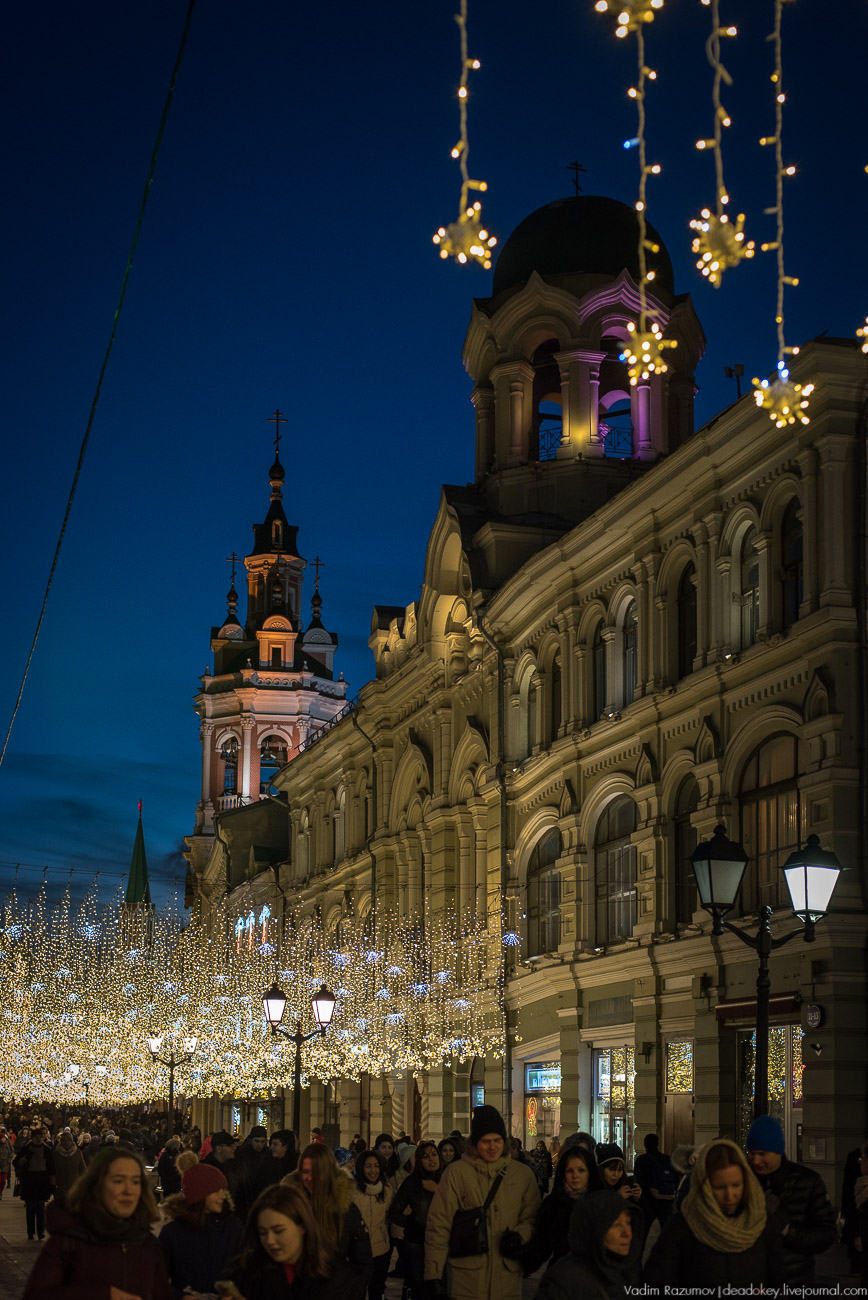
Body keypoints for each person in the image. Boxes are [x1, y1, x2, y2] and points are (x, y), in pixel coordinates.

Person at [22, 1145, 175, 1300]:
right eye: (118, 1181)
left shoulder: (146, 1242)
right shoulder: (68, 1241)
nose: (129, 1190)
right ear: (97, 1186)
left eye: (136, 1182)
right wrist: (104, 1295)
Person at [425, 1103, 540, 1300]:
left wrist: (520, 1236)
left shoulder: (522, 1175)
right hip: (466, 1279)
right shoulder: (457, 1173)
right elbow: (439, 1224)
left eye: (497, 1140)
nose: (492, 1146)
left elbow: (533, 1218)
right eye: (486, 1141)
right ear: (475, 1142)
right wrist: (434, 1275)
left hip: (507, 1278)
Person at [643, 1138, 784, 1292]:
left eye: (736, 1185)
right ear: (704, 1185)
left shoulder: (763, 1223)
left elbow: (780, 1282)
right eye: (720, 1187)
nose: (730, 1195)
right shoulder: (682, 1227)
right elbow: (656, 1284)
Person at [745, 1113, 837, 1284]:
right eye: (751, 1153)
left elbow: (827, 1235)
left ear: (778, 1151)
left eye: (762, 1154)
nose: (756, 1160)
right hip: (751, 1281)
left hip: (794, 1281)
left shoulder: (808, 1182)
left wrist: (788, 1230)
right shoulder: (742, 1180)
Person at [230, 1181, 354, 1298]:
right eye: (262, 1232)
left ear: (302, 1227)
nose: (269, 1240)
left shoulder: (336, 1278)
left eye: (278, 1231)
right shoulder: (246, 1276)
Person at [292, 1142, 372, 1297]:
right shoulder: (291, 1207)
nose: (311, 1178)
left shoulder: (346, 1210)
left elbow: (362, 1260)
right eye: (306, 1171)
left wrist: (353, 1290)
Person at [535, 1191, 643, 1300]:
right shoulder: (564, 1281)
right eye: (616, 1225)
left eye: (628, 1223)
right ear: (593, 1229)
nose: (627, 1233)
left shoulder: (627, 1272)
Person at [159, 1160, 244, 1294]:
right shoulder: (172, 1233)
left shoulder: (233, 1228)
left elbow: (246, 1271)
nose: (223, 1195)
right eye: (216, 1191)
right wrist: (179, 1296)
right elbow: (158, 1279)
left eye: (223, 1190)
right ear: (199, 1195)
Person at [522, 1143, 602, 1275]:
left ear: (589, 1172)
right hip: (563, 1276)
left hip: (596, 1277)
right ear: (563, 1173)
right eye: (570, 1170)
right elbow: (542, 1245)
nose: (575, 1175)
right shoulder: (554, 1204)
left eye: (581, 1170)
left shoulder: (601, 1201)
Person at [389, 1141, 441, 1297]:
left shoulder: (447, 1179)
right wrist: (407, 1217)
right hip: (416, 1241)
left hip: (441, 1242)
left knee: (439, 1287)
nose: (431, 1159)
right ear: (419, 1160)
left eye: (434, 1155)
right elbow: (394, 1212)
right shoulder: (412, 1182)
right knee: (419, 1285)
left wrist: (437, 1190)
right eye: (425, 1157)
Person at [351, 1148, 394, 1300]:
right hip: (357, 1251)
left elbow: (389, 1216)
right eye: (368, 1166)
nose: (373, 1170)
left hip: (380, 1247)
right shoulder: (351, 1189)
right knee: (357, 1291)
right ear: (361, 1167)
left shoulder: (387, 1190)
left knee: (377, 1289)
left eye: (376, 1166)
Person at [14, 1126, 56, 1240]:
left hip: (42, 1181)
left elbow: (51, 1167)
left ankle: (40, 1231)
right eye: (36, 1137)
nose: (39, 1139)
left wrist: (52, 1184)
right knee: (30, 1208)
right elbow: (16, 1162)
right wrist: (26, 1159)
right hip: (30, 1180)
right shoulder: (26, 1149)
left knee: (40, 1208)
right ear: (32, 1138)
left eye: (40, 1137)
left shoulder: (46, 1149)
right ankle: (31, 1231)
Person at [204, 1128, 252, 1218]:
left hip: (234, 1217)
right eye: (230, 1145)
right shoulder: (205, 1168)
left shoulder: (238, 1166)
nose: (234, 1148)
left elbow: (244, 1193)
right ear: (219, 1148)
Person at [633, 1134, 677, 1228]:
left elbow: (637, 1180)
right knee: (666, 1232)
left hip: (647, 1201)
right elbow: (675, 1178)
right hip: (666, 1199)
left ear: (645, 1144)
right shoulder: (666, 1159)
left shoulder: (641, 1160)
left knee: (643, 1231)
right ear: (658, 1144)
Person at [595, 1144, 643, 1209]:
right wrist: (616, 1198)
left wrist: (637, 1199)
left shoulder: (624, 1185)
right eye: (612, 1169)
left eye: (620, 1170)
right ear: (601, 1169)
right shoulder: (594, 1189)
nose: (616, 1174)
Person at [52, 1130, 86, 1209]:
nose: (66, 1142)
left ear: (72, 1141)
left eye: (68, 1140)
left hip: (75, 1187)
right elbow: (53, 1170)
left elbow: (83, 1169)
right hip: (60, 1187)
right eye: (64, 1140)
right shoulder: (56, 1154)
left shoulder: (77, 1153)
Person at [0, 1128, 12, 1200]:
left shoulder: (7, 1145)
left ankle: (0, 1192)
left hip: (5, 1165)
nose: (4, 1139)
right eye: (3, 1138)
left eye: (4, 1138)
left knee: (3, 1181)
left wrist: (9, 1159)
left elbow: (11, 1152)